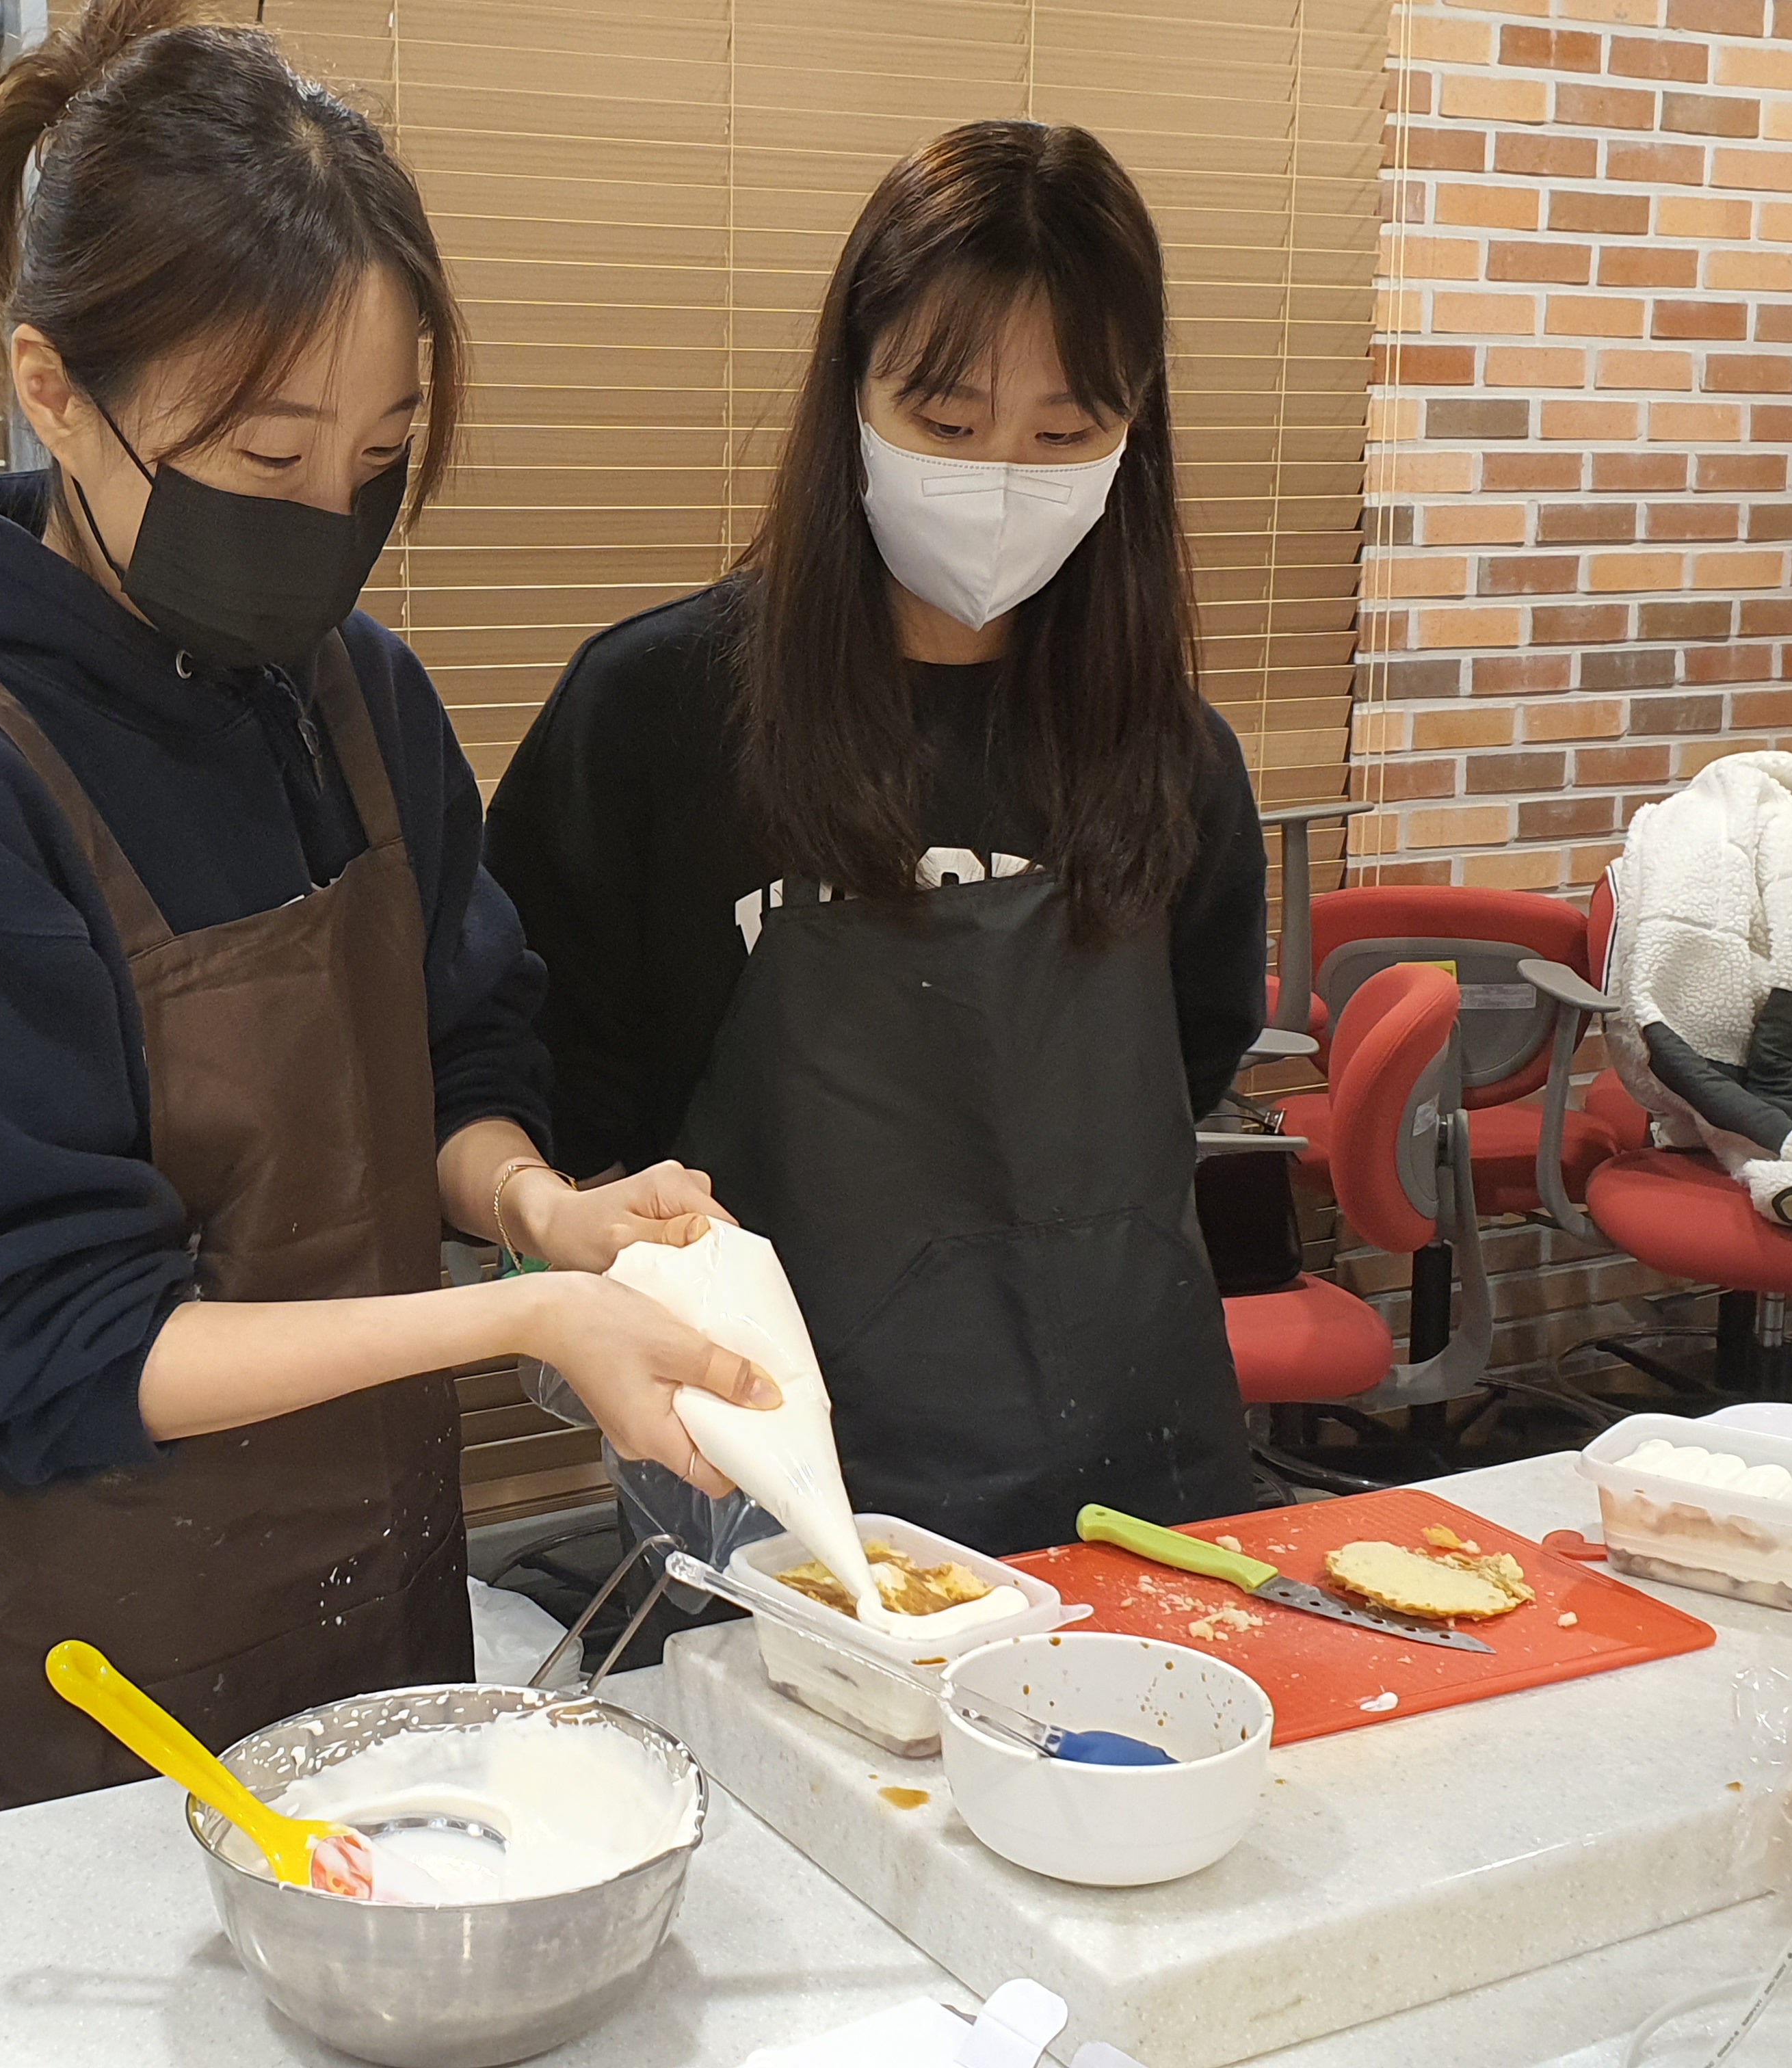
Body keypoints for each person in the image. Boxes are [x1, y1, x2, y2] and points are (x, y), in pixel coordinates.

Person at [0, 0, 772, 1831]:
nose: (327, 522)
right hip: (79, 1741)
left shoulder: (358, 703)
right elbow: (63, 1342)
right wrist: (516, 1323)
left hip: (369, 1670)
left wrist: (542, 1211)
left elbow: (448, 1059)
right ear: (56, 390)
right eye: (271, 461)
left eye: (377, 461)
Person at [485, 121, 1265, 1556]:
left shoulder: (1172, 754)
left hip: (1135, 1462)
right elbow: (542, 1086)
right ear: (852, 390)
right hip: (775, 1459)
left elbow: (1193, 1055)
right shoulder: (658, 713)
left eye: (1066, 435)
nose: (1004, 477)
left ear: (1134, 433)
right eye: (949, 425)